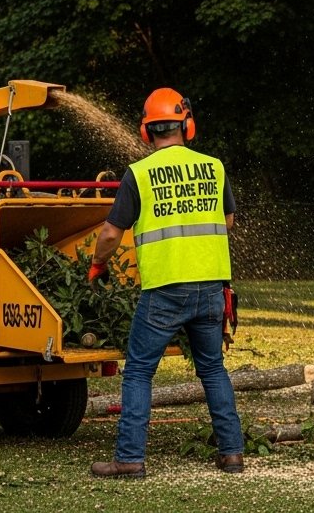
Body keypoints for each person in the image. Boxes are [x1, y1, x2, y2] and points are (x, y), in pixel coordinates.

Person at [89, 87, 244, 478]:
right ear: (186, 125)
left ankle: (129, 459)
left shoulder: (138, 174)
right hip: (210, 288)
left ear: (146, 131)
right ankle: (232, 454)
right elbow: (226, 223)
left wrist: (96, 263)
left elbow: (110, 234)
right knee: (213, 370)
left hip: (164, 292)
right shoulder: (213, 167)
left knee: (140, 371)